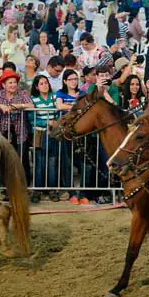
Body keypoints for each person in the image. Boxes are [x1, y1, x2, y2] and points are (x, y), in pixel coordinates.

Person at [0, 71, 33, 183]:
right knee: (6, 161)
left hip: (20, 133)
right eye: (10, 82)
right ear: (3, 85)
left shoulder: (22, 94)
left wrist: (20, 106)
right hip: (4, 134)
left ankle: (25, 185)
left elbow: (31, 105)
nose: (13, 85)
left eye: (15, 82)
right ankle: (7, 188)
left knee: (22, 160)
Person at [55, 69, 90, 205]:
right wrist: (75, 107)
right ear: (65, 81)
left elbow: (86, 108)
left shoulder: (82, 93)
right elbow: (59, 106)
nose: (74, 82)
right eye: (70, 79)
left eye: (75, 79)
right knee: (67, 163)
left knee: (84, 164)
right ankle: (72, 193)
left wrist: (69, 106)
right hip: (67, 133)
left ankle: (83, 193)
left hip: (81, 132)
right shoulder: (60, 93)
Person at [29, 75, 59, 203]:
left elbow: (58, 114)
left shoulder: (54, 97)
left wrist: (54, 122)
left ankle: (51, 189)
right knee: (39, 163)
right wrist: (46, 123)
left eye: (46, 83)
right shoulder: (33, 99)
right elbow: (31, 118)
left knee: (52, 162)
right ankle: (37, 190)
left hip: (52, 133)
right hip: (39, 133)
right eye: (41, 83)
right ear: (36, 86)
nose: (44, 85)